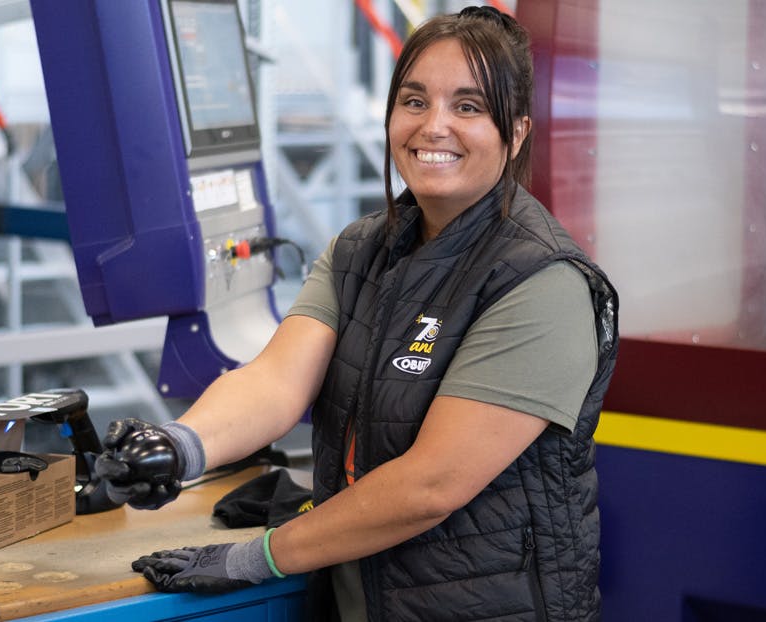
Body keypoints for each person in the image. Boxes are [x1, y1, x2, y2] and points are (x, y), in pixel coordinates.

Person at [94, 6, 618, 621]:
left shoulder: (542, 281)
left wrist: (254, 557)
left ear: (517, 130)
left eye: (469, 107)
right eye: (415, 101)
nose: (434, 126)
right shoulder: (360, 248)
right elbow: (276, 381)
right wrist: (177, 447)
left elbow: (430, 487)